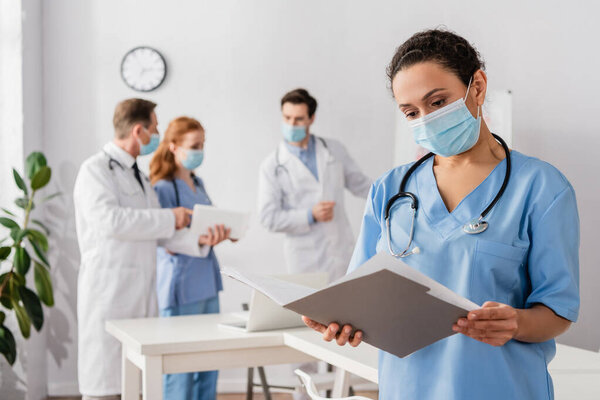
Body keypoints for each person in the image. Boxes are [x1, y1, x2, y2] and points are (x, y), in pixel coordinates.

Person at [303, 29, 580, 399]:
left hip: (502, 388)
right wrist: (341, 320)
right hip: (408, 388)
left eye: (437, 102)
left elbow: (558, 310)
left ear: (477, 87)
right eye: (411, 112)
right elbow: (362, 297)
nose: (425, 119)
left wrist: (516, 323)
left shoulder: (541, 188)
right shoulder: (389, 190)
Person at [74, 99, 211, 400]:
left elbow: (156, 234)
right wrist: (169, 217)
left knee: (135, 386)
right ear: (139, 131)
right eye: (155, 128)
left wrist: (199, 241)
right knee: (105, 389)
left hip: (141, 296)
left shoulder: (139, 176)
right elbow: (111, 221)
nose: (158, 135)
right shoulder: (95, 170)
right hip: (109, 294)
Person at [149, 116, 231, 400]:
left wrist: (224, 231)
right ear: (173, 147)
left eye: (202, 145)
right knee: (180, 367)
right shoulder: (162, 188)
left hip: (208, 282)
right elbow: (163, 238)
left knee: (209, 363)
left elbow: (207, 222)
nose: (200, 151)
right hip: (181, 286)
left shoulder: (199, 182)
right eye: (194, 145)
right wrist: (200, 239)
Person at [258, 88, 372, 282]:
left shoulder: (333, 149)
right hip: (305, 257)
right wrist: (309, 215)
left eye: (299, 119)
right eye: (287, 118)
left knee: (345, 307)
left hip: (340, 249)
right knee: (310, 309)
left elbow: (360, 185)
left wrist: (394, 191)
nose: (292, 124)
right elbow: (269, 218)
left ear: (311, 118)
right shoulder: (272, 165)